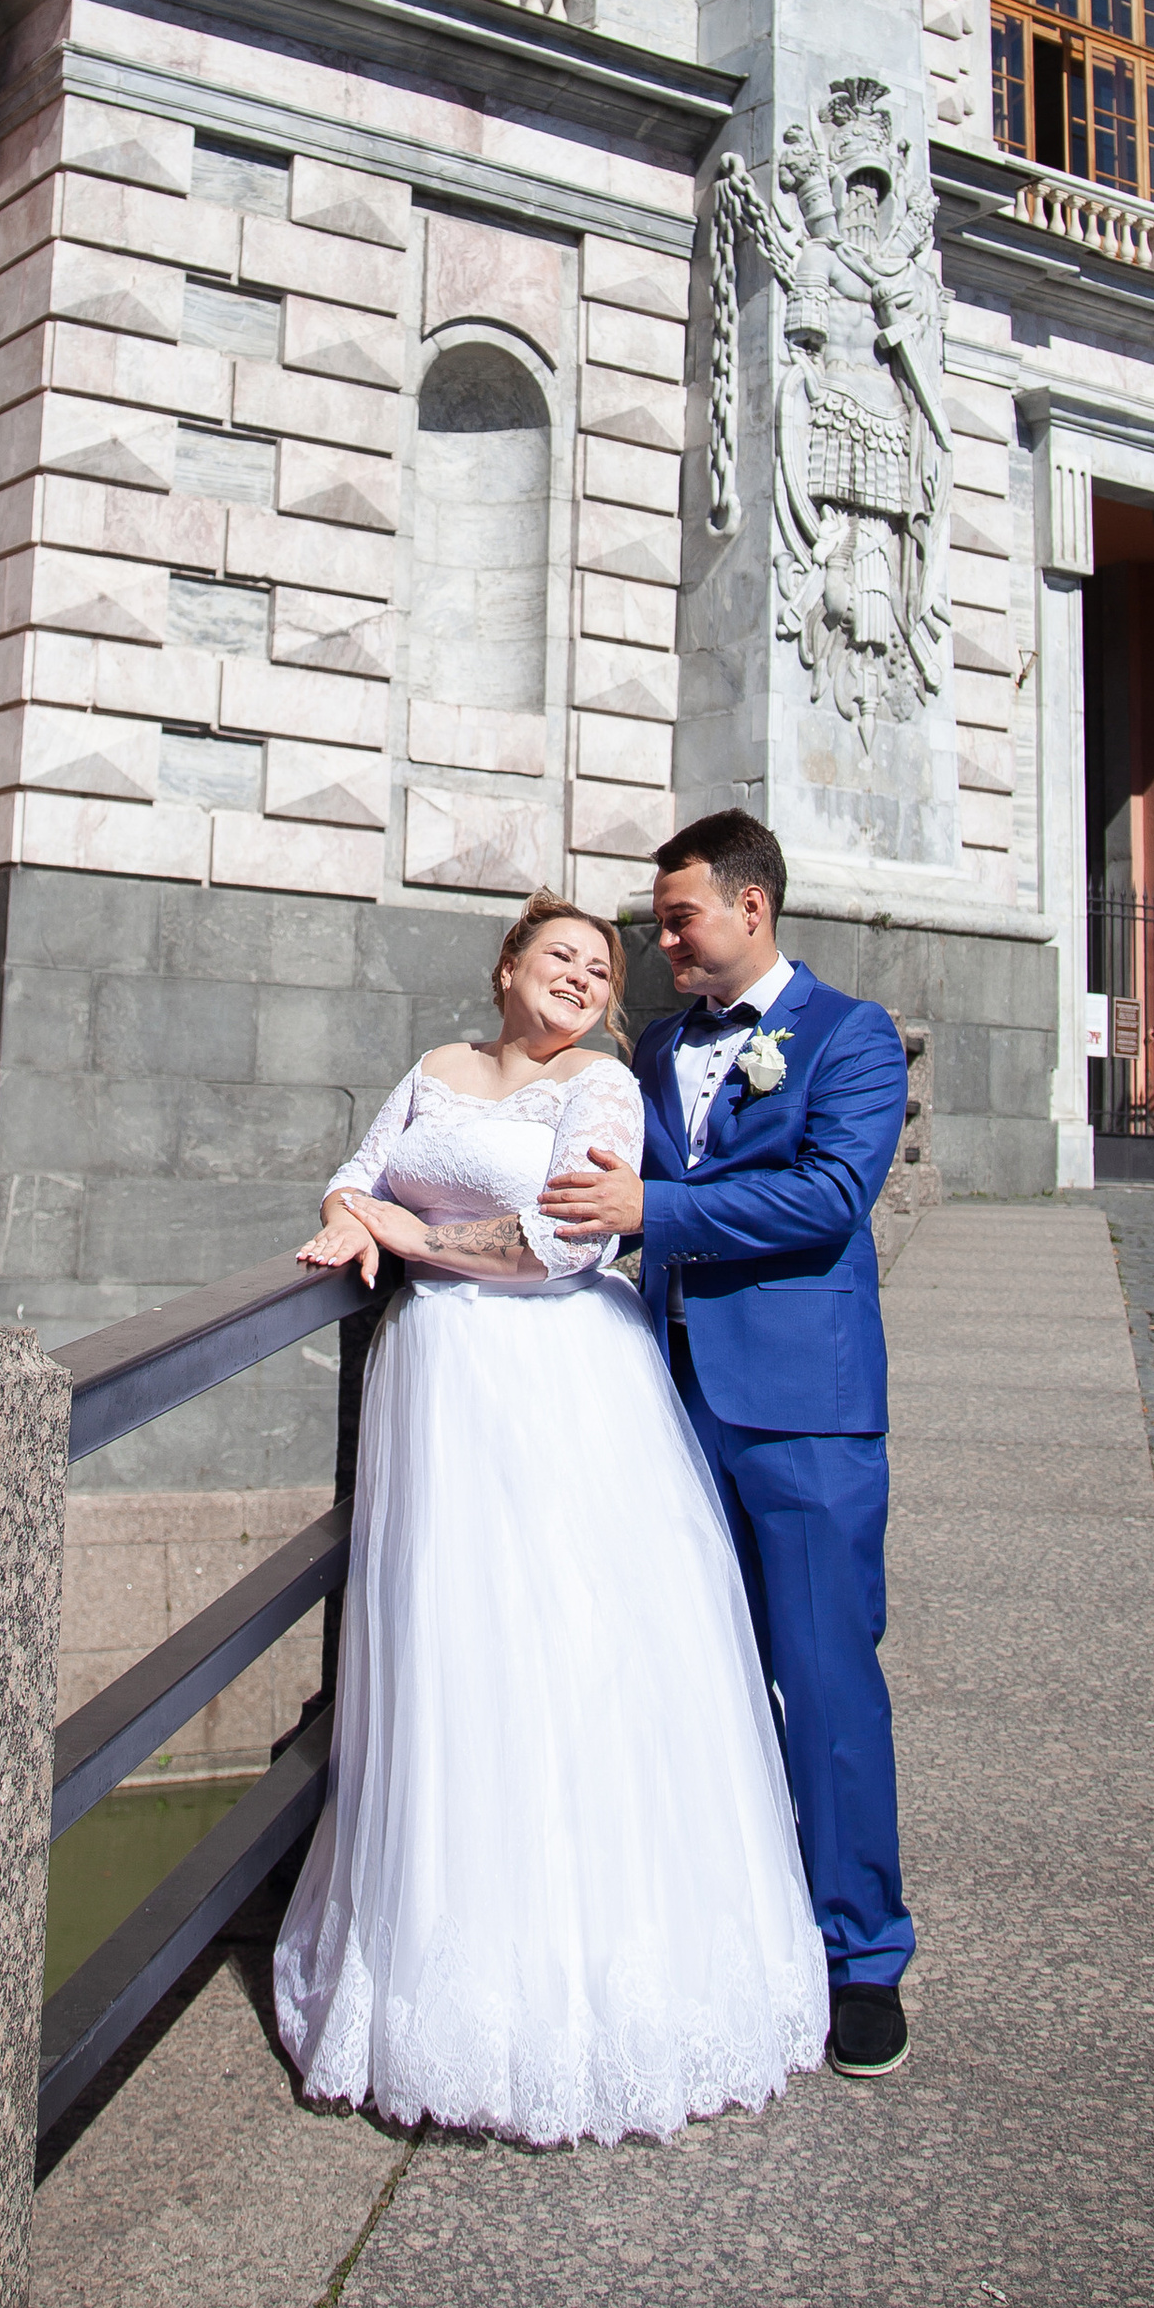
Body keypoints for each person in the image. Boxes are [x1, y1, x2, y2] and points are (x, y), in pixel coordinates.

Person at [275, 890, 829, 2146]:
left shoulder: (602, 1085)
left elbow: (568, 1243)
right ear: (505, 964)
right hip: (440, 1385)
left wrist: (418, 1233)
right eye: (562, 955)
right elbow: (356, 1175)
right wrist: (346, 1218)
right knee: (449, 1659)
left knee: (567, 1651)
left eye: (603, 967)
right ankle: (439, 1952)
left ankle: (584, 1985)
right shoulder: (431, 1066)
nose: (584, 977)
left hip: (557, 1382)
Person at [541, 809, 914, 2078]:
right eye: (656, 918)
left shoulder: (851, 1035)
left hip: (801, 1409)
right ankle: (723, 1929)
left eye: (678, 915)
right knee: (684, 1682)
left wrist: (659, 1205)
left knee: (824, 1682)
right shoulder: (652, 1045)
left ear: (751, 908)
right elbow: (577, 1170)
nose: (661, 938)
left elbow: (825, 1198)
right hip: (662, 1400)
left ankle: (862, 1955)